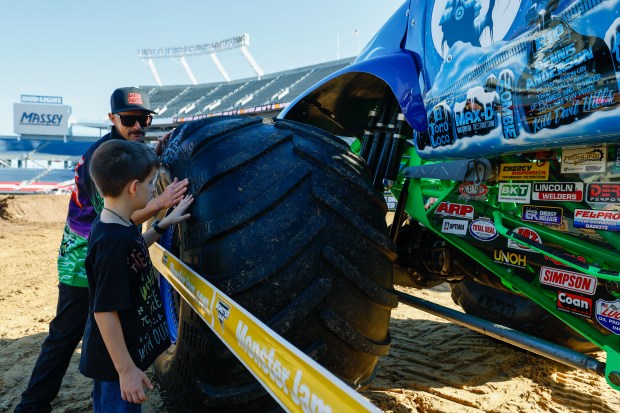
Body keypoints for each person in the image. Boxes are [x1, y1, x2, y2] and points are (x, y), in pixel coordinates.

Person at [15, 87, 189, 413]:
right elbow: (119, 216)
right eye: (130, 119)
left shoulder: (128, 151)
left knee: (103, 332)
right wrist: (160, 204)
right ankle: (32, 406)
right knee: (66, 335)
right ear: (112, 118)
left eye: (145, 119)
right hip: (83, 260)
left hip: (115, 252)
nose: (139, 126)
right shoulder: (103, 159)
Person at [80, 139, 193, 411]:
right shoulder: (111, 242)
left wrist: (162, 224)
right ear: (133, 188)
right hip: (114, 365)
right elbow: (104, 312)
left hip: (124, 354)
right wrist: (126, 370)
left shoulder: (116, 222)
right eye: (151, 183)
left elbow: (135, 250)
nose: (154, 189)